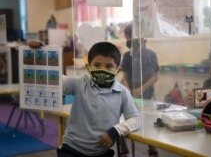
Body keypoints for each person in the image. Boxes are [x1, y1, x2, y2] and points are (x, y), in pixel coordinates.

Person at [28, 41, 141, 157]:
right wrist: (40, 56)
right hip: (71, 150)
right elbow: (53, 81)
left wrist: (115, 131)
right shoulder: (80, 83)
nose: (102, 70)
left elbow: (135, 119)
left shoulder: (122, 92)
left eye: (109, 66)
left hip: (101, 153)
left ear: (118, 69)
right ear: (88, 68)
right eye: (97, 65)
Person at [120, 24, 159, 157]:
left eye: (133, 35)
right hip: (130, 96)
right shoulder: (126, 56)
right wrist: (126, 88)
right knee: (125, 120)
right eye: (128, 36)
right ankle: (123, 149)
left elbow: (155, 77)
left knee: (148, 123)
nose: (131, 39)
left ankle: (152, 149)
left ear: (142, 37)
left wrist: (141, 89)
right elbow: (124, 75)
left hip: (147, 95)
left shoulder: (150, 55)